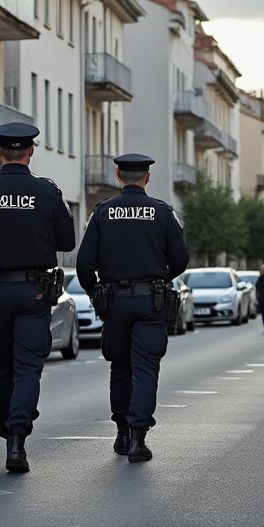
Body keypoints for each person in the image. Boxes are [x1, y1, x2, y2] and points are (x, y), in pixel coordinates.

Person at [0, 122, 75, 474]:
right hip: (34, 290)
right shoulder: (48, 191)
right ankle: (17, 440)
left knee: (3, 367)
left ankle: (8, 428)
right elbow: (66, 242)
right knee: (27, 368)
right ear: (31, 151)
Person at [76, 154, 190, 463]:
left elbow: (84, 263)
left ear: (118, 175)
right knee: (146, 367)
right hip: (150, 301)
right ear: (147, 177)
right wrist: (159, 277)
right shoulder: (162, 212)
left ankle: (122, 434)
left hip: (113, 300)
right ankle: (139, 439)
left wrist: (94, 293)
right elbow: (181, 258)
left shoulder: (102, 212)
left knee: (121, 367)